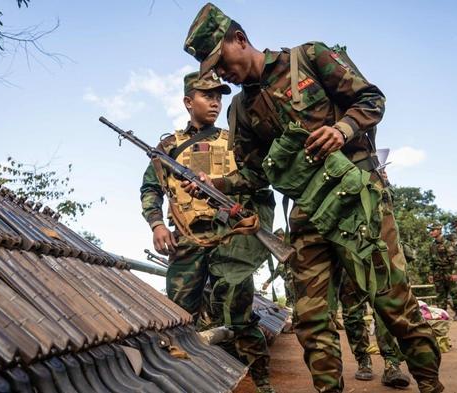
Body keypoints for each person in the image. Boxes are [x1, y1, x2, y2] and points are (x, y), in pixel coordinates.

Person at [182, 4, 443, 392]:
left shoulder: (310, 57)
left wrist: (343, 129)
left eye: (220, 60)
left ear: (240, 40)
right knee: (311, 318)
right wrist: (215, 185)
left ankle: (430, 384)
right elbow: (256, 176)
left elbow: (372, 99)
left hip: (356, 201)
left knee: (393, 305)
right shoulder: (240, 108)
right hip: (308, 216)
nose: (219, 72)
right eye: (211, 68)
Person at [139, 71, 276, 392]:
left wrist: (252, 220)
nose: (215, 102)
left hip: (230, 242)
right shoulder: (168, 146)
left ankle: (264, 383)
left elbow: (259, 183)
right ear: (188, 102)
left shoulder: (235, 141)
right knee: (179, 321)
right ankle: (183, 383)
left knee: (241, 317)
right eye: (207, 96)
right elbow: (150, 188)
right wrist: (157, 224)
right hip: (186, 242)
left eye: (219, 96)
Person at [338, 270, 410, 388]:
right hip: (347, 259)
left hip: (377, 258)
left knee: (385, 311)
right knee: (352, 314)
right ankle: (363, 360)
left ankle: (391, 363)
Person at [427, 222, 457, 320]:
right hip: (438, 272)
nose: (431, 232)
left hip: (449, 271)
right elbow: (431, 261)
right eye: (430, 230)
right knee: (440, 294)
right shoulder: (432, 245)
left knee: (454, 292)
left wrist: (454, 273)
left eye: (433, 230)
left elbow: (454, 259)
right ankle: (442, 314)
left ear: (439, 230)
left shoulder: (448, 244)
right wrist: (431, 274)